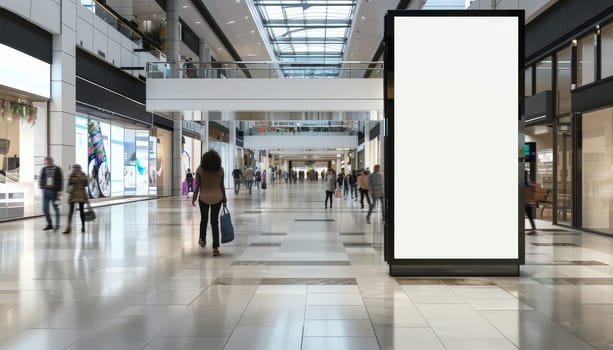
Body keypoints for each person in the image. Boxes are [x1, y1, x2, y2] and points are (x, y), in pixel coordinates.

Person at [192, 150, 226, 257]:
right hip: (217, 197)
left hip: (204, 198)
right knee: (214, 222)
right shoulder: (220, 170)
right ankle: (215, 247)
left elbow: (197, 186)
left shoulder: (199, 170)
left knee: (204, 219)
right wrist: (224, 199)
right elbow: (222, 186)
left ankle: (202, 239)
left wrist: (194, 197)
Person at [39, 157, 63, 231]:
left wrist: (60, 190)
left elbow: (60, 180)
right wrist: (42, 185)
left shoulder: (57, 169)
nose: (46, 164)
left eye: (48, 163)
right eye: (45, 163)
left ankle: (57, 224)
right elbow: (41, 178)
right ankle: (49, 224)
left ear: (51, 162)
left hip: (54, 192)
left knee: (56, 208)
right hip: (46, 191)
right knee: (45, 209)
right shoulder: (44, 169)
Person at [63, 164, 88, 234]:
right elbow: (86, 185)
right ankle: (83, 227)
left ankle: (68, 228)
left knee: (70, 212)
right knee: (81, 212)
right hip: (81, 195)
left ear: (74, 169)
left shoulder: (72, 175)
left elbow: (68, 187)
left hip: (73, 195)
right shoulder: (83, 175)